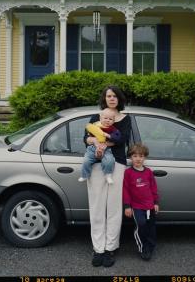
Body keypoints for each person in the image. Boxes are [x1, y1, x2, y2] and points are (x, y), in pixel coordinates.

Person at [83, 85, 131, 268]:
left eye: (114, 96)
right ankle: (98, 249)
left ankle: (110, 248)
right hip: (95, 164)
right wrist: (96, 141)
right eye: (108, 96)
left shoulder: (125, 119)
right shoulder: (96, 117)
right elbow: (85, 138)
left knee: (113, 208)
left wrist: (104, 145)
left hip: (116, 165)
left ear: (119, 99)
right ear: (104, 98)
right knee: (96, 207)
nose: (111, 98)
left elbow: (122, 139)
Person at [123, 143, 159, 261]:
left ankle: (150, 245)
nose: (138, 159)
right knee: (141, 225)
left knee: (151, 227)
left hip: (150, 206)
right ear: (130, 158)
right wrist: (127, 206)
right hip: (137, 207)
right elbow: (126, 190)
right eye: (135, 156)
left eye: (141, 156)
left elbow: (153, 188)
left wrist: (155, 203)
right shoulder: (128, 173)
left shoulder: (148, 172)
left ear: (145, 158)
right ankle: (143, 247)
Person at [79, 108, 121, 184]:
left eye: (110, 119)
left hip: (106, 149)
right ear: (100, 118)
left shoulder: (112, 129)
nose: (108, 120)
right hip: (92, 148)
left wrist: (108, 135)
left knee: (109, 160)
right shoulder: (95, 125)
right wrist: (92, 138)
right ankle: (85, 175)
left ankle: (108, 175)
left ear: (113, 121)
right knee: (86, 160)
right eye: (105, 118)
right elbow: (87, 133)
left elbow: (118, 137)